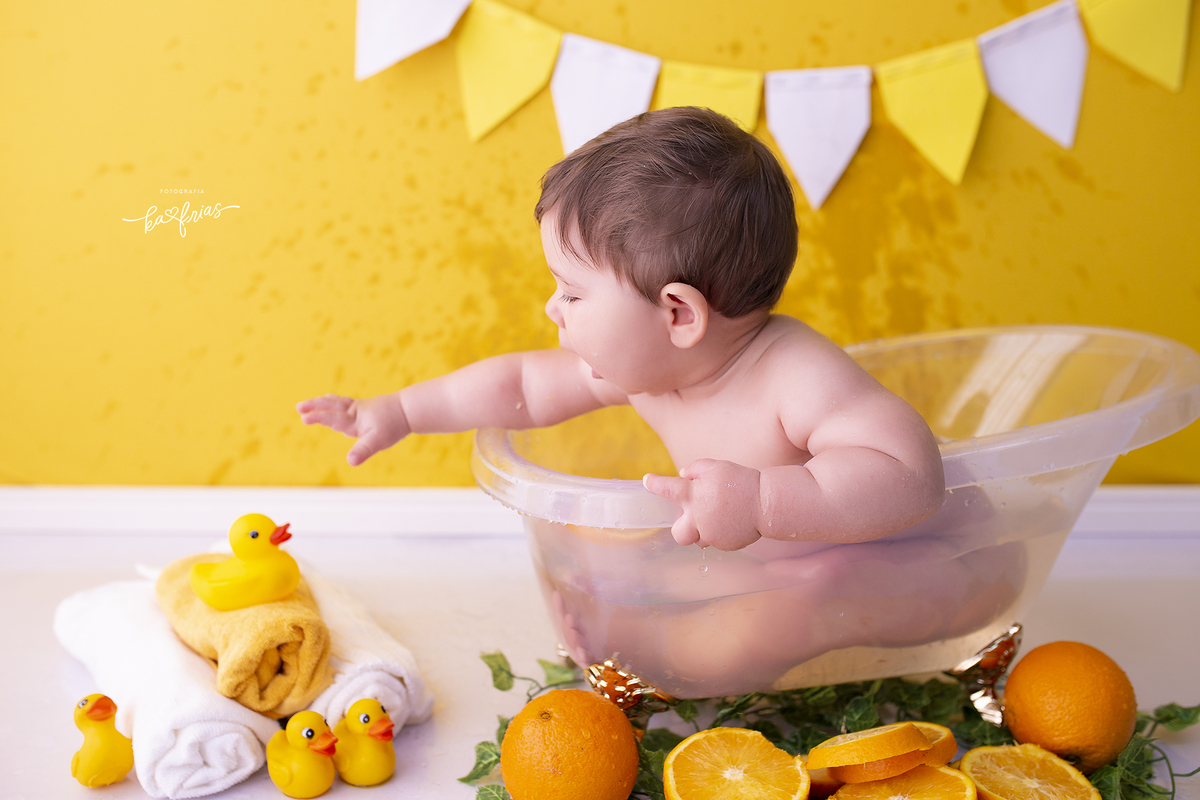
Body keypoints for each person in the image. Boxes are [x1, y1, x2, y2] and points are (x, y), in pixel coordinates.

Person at [297, 106, 945, 552]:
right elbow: (520, 386)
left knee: (727, 638)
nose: (553, 308)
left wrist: (762, 502)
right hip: (774, 569)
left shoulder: (797, 378)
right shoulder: (649, 369)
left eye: (573, 292)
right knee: (671, 586)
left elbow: (910, 475)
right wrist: (402, 411)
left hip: (883, 571)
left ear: (677, 315)